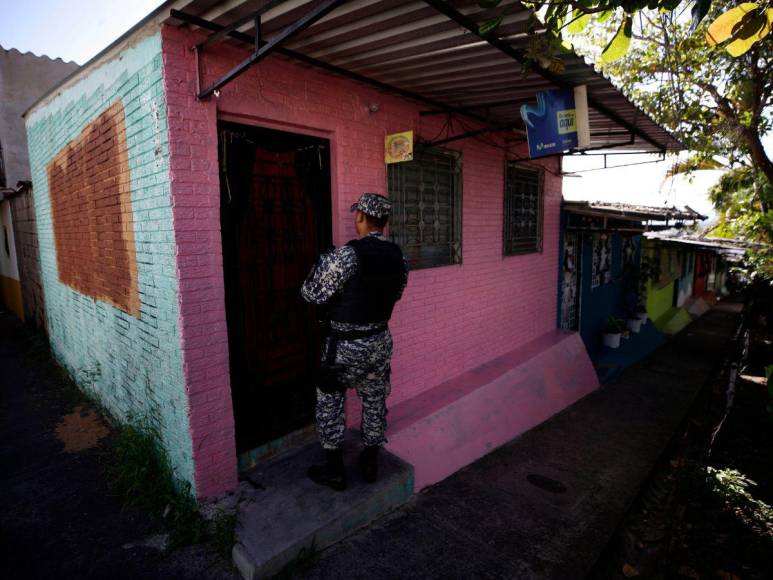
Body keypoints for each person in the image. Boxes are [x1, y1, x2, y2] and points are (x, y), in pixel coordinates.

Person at [301, 193, 408, 491]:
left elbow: (311, 294)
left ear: (360, 217)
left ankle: (335, 470)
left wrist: (319, 265)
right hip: (379, 341)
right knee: (374, 401)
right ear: (383, 222)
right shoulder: (399, 256)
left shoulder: (346, 256)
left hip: (344, 346)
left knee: (330, 401)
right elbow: (396, 294)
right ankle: (370, 463)